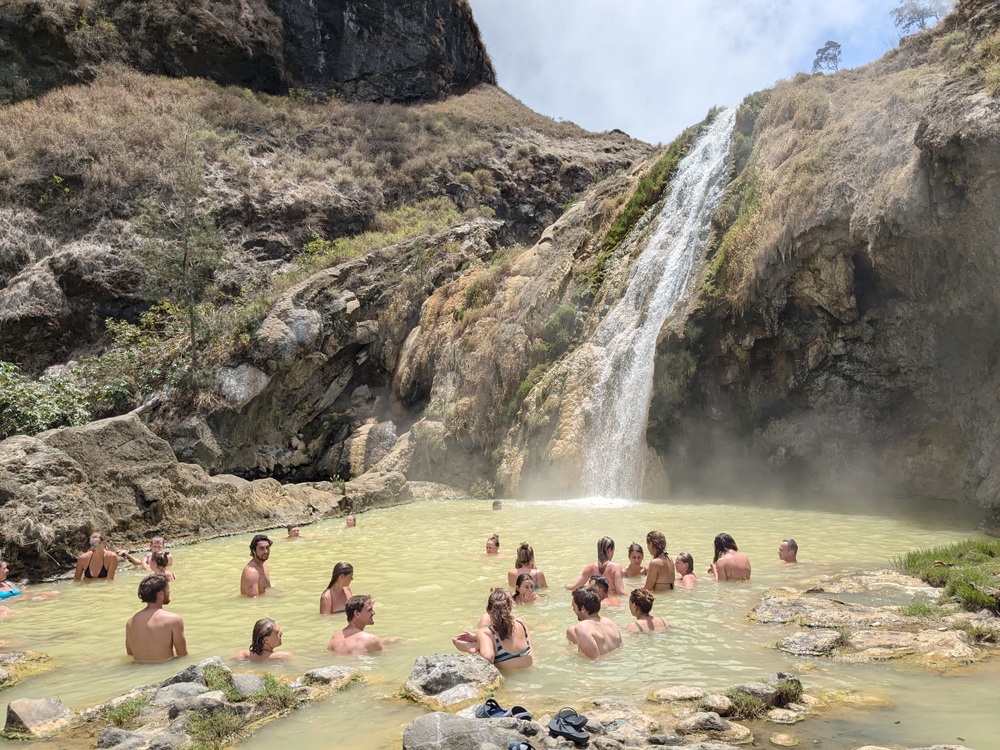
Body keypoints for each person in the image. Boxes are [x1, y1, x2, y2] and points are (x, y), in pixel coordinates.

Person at [454, 588, 534, 670]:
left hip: (508, 680)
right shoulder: (520, 623)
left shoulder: (485, 632)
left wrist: (470, 649)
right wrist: (477, 639)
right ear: (510, 608)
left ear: (488, 610)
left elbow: (488, 658)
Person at [125, 574, 187, 663]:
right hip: (165, 670)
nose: (169, 592)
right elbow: (182, 655)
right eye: (168, 589)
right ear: (161, 594)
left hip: (140, 671)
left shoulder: (130, 622)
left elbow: (130, 654)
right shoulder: (174, 620)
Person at [566, 586, 622, 659]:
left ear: (583, 608)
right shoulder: (611, 623)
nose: (573, 610)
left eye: (574, 606)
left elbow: (594, 661)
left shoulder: (582, 628)